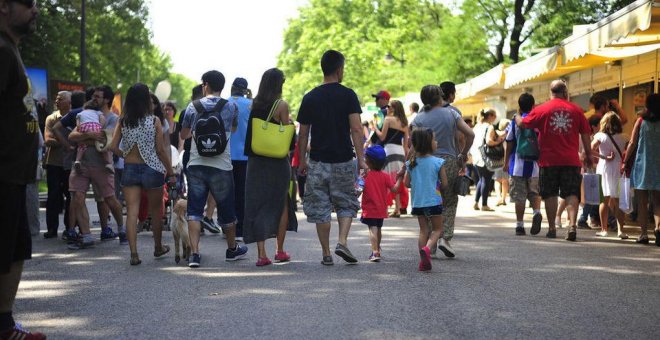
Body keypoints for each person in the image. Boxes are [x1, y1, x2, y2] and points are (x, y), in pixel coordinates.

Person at [0, 0, 47, 337]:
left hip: (17, 176)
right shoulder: (1, 51)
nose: (35, 10)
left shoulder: (11, 50)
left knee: (15, 252)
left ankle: (5, 325)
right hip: (2, 175)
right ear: (4, 6)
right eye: (28, 4)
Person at [297, 50, 366, 265]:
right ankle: (342, 241)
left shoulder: (310, 97)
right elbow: (356, 129)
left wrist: (301, 160)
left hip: (318, 161)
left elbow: (303, 132)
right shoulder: (348, 95)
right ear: (339, 69)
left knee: (321, 207)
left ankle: (326, 253)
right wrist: (361, 160)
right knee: (346, 202)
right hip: (344, 159)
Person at [180, 70, 248, 268]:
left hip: (196, 164)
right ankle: (231, 249)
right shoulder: (231, 107)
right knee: (227, 209)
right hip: (221, 165)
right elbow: (233, 130)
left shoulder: (193, 107)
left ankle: (195, 254)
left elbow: (184, 135)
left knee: (194, 210)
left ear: (206, 85)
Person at [514, 80, 593, 241]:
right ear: (565, 92)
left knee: (550, 194)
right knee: (571, 193)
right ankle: (572, 226)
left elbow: (523, 124)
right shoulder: (577, 110)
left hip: (548, 160)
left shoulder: (542, 109)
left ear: (551, 92)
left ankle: (552, 228)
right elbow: (585, 134)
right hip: (571, 160)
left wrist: (516, 116)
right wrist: (589, 155)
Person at [109, 83, 175, 265]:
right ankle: (158, 247)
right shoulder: (154, 121)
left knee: (131, 212)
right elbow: (161, 151)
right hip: (152, 169)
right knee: (156, 212)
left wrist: (126, 155)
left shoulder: (123, 121)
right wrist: (171, 172)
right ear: (147, 100)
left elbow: (113, 147)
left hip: (130, 169)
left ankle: (134, 254)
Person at [411, 84, 474, 258]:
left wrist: (408, 164)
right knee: (449, 201)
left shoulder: (419, 118)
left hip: (424, 162)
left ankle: (429, 245)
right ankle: (444, 239)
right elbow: (470, 134)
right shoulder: (452, 113)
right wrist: (462, 154)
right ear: (440, 97)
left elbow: (413, 144)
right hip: (448, 161)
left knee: (429, 201)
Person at [243, 68, 298, 266]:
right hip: (277, 162)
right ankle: (280, 250)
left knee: (258, 203)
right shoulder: (281, 105)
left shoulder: (253, 105)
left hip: (256, 162)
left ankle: (261, 254)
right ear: (278, 84)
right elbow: (288, 138)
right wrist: (289, 123)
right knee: (281, 203)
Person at [405, 128, 448, 271]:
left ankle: (423, 261)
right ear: (429, 144)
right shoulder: (438, 162)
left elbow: (406, 183)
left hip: (418, 202)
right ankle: (428, 249)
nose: (436, 142)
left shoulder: (411, 163)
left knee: (423, 230)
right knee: (437, 229)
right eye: (434, 140)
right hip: (434, 201)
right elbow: (445, 184)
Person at [503, 93, 542, 236]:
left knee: (519, 196)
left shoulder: (515, 122)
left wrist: (506, 162)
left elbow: (509, 142)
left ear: (519, 106)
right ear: (533, 105)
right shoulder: (537, 121)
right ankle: (536, 212)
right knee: (534, 192)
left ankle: (520, 225)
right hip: (534, 165)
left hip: (517, 164)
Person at [623, 94, 660, 245]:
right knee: (658, 202)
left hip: (642, 165)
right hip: (658, 166)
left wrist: (625, 161)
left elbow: (632, 143)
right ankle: (658, 228)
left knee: (642, 202)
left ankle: (644, 234)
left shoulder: (640, 121)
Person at [360, 145, 402, 262]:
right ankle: (377, 248)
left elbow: (357, 190)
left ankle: (375, 252)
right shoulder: (385, 176)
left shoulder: (365, 175)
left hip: (370, 208)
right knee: (378, 229)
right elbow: (395, 189)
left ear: (369, 161)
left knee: (372, 229)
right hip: (382, 208)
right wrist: (399, 178)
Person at [591, 112, 628, 238]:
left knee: (604, 200)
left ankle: (604, 229)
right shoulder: (624, 137)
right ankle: (620, 231)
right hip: (619, 169)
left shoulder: (600, 136)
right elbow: (629, 152)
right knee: (618, 201)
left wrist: (604, 157)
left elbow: (590, 149)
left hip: (604, 169)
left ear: (604, 123)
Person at [43, 91, 72, 239]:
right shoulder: (51, 119)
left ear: (69, 102)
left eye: (60, 99)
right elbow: (47, 140)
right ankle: (51, 229)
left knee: (70, 195)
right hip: (53, 163)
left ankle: (69, 227)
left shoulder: (74, 117)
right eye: (56, 98)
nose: (57, 101)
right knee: (53, 196)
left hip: (69, 164)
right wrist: (67, 142)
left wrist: (58, 139)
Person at [373, 99, 409, 217]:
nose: (387, 109)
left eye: (389, 107)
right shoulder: (404, 122)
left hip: (389, 150)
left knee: (387, 180)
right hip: (400, 152)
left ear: (393, 108)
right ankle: (397, 208)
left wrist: (375, 128)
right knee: (397, 180)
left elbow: (382, 137)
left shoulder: (388, 119)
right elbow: (406, 144)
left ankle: (384, 207)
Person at [228, 77, 252, 241]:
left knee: (228, 192)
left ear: (231, 88)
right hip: (244, 154)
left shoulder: (224, 103)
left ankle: (228, 226)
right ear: (245, 90)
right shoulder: (250, 105)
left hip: (225, 154)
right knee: (242, 192)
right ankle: (240, 229)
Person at [73, 99, 113, 174]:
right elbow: (103, 120)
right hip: (95, 126)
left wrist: (80, 129)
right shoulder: (98, 112)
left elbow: (78, 124)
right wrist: (100, 128)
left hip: (84, 127)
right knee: (102, 144)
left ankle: (78, 160)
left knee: (82, 144)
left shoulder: (80, 113)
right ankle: (108, 163)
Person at [469, 108, 498, 211]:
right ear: (490, 116)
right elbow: (489, 141)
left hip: (476, 156)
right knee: (486, 179)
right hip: (486, 157)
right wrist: (498, 142)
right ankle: (484, 204)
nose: (495, 118)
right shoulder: (489, 127)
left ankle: (476, 202)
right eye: (494, 116)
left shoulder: (477, 126)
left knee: (481, 179)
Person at [493, 119, 511, 206]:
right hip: (505, 160)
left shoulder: (496, 134)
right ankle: (503, 199)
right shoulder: (509, 134)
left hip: (496, 160)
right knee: (505, 180)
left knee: (497, 180)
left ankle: (498, 197)